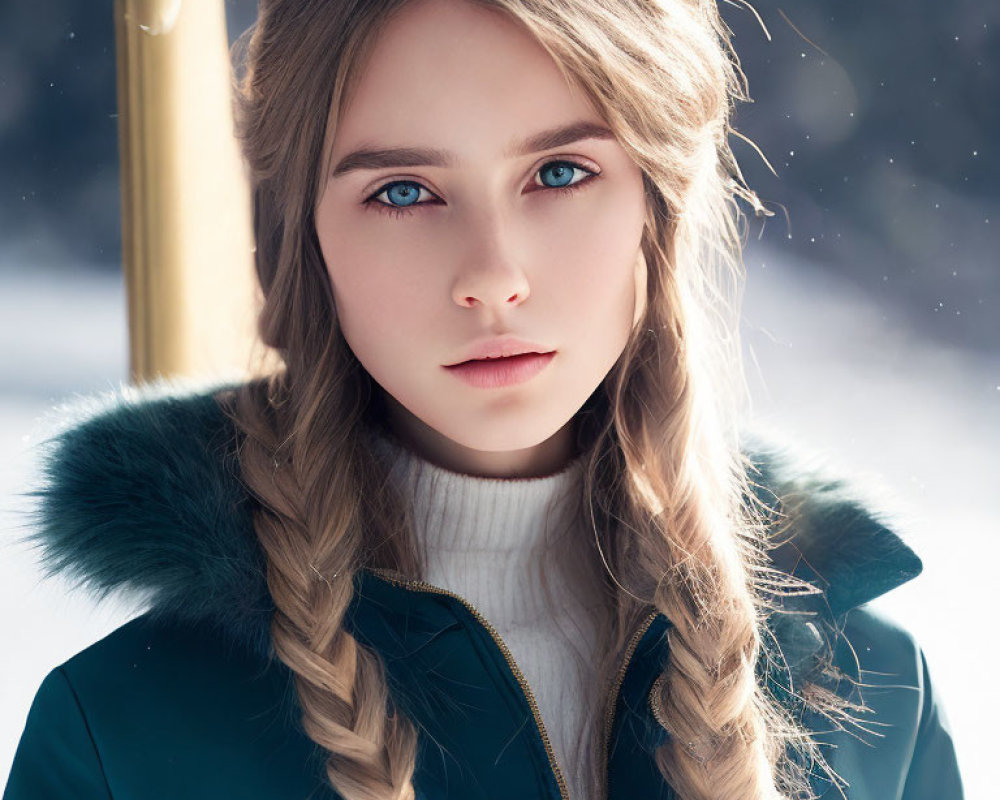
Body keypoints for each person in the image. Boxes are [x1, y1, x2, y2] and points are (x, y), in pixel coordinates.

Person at [4, 1, 963, 799]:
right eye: (405, 192)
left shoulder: (879, 706)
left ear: (657, 209)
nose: (492, 277)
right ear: (303, 243)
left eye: (558, 173)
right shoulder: (119, 742)